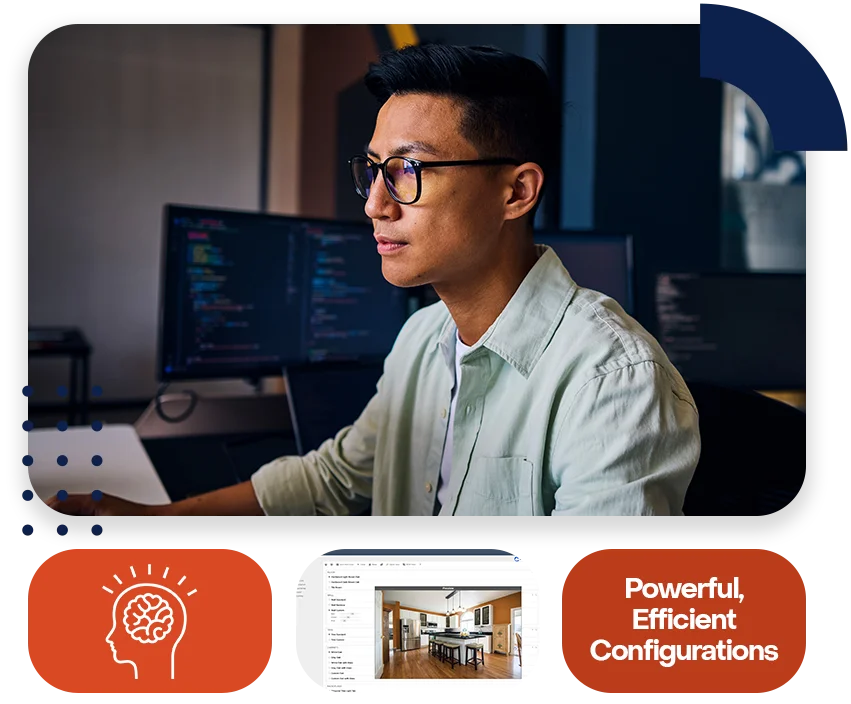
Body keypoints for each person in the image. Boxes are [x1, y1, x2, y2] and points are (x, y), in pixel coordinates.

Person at [49, 43, 700, 518]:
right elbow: (336, 479)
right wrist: (157, 522)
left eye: (408, 171)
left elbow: (587, 609)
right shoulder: (423, 336)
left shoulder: (613, 379)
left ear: (515, 191)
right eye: (373, 170)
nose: (374, 205)